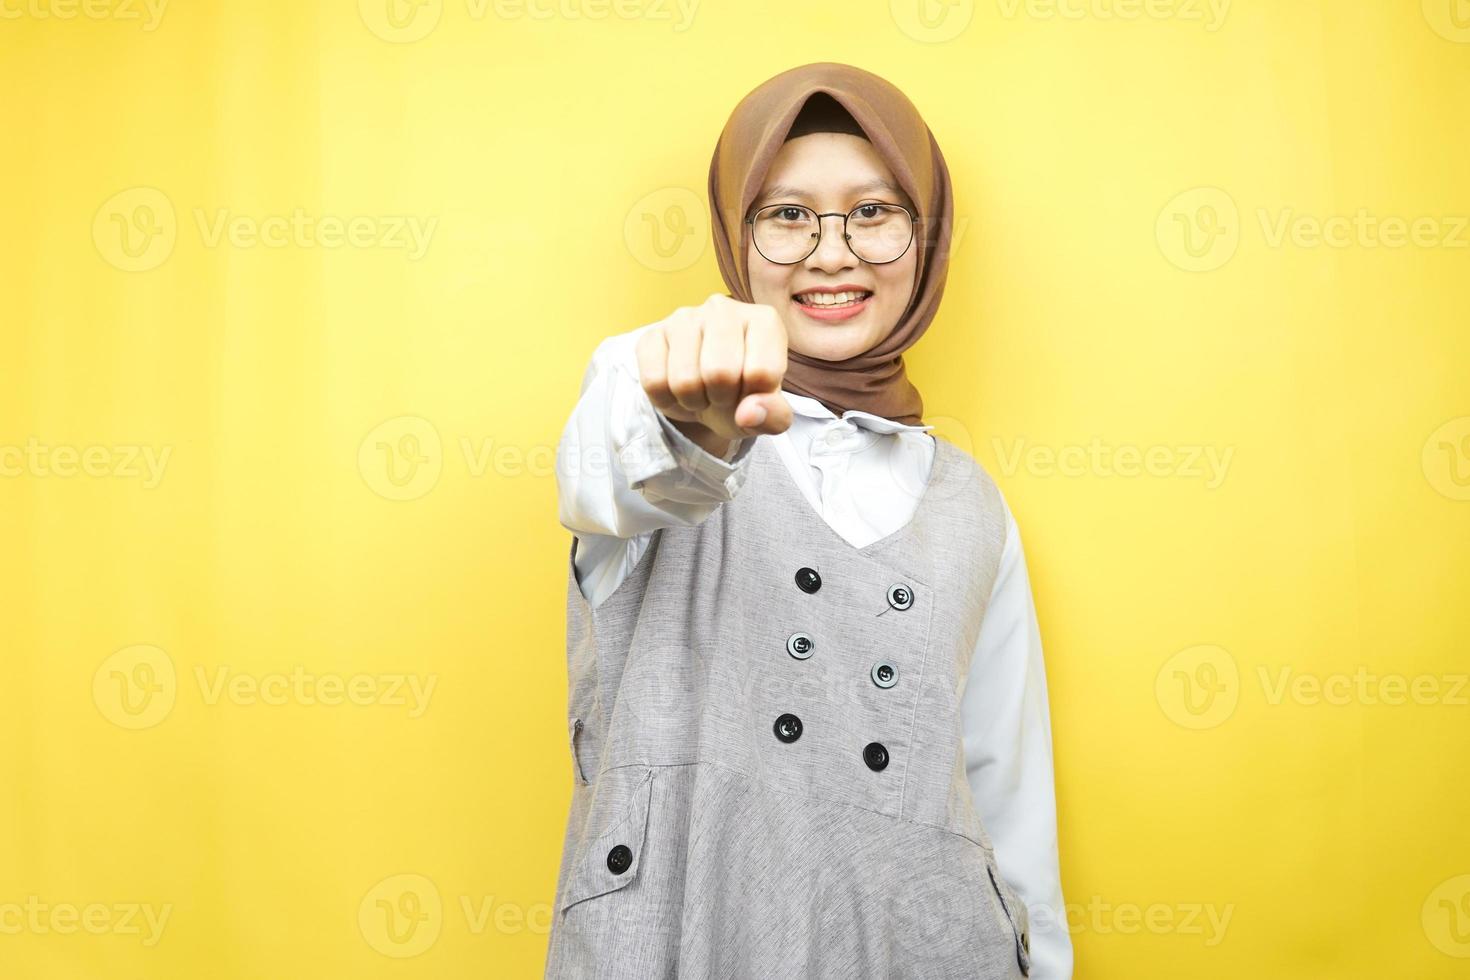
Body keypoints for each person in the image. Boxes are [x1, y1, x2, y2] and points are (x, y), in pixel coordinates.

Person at [547, 62, 1071, 980]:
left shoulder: (973, 502)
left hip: (925, 947)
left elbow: (1005, 779)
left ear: (929, 236)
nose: (833, 253)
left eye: (874, 212)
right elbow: (605, 482)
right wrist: (689, 430)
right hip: (684, 930)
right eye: (787, 215)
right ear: (735, 234)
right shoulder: (655, 389)